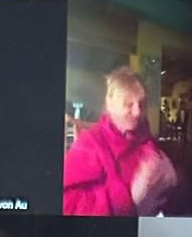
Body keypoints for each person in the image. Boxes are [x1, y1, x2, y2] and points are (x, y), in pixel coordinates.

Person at [63, 68, 178, 217]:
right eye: (128, 104)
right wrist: (128, 197)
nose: (137, 112)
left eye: (141, 104)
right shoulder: (91, 142)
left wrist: (173, 183)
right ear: (110, 105)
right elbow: (67, 204)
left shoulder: (145, 138)